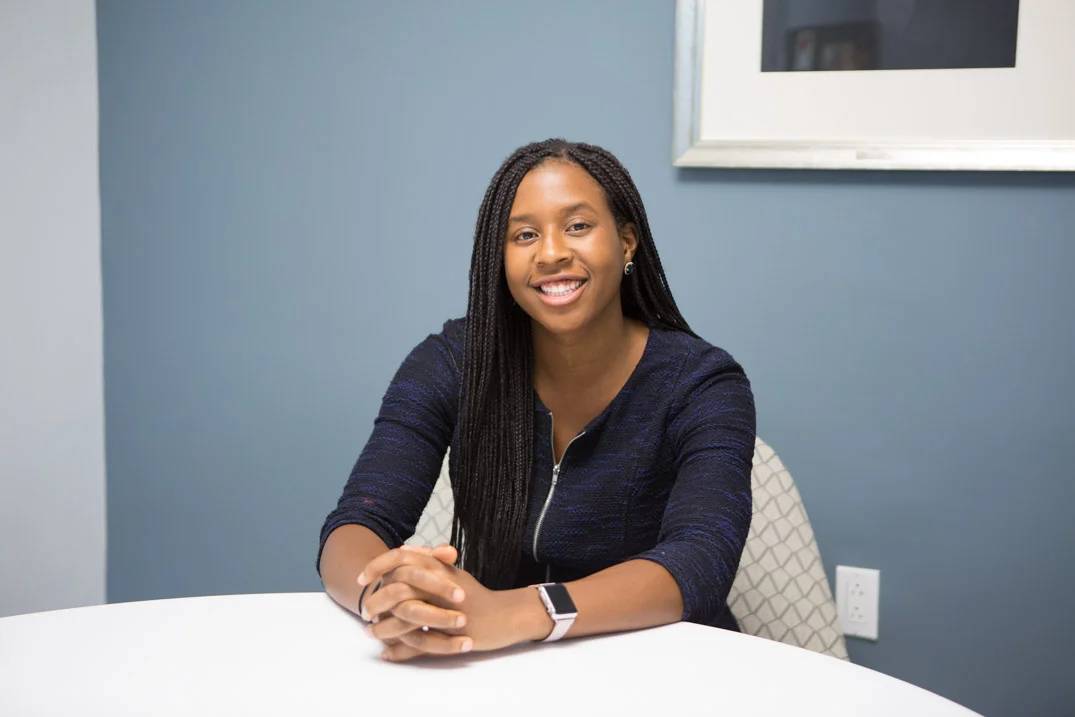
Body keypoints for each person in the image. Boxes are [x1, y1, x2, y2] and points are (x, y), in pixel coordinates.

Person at [317, 139, 756, 662]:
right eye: (525, 235)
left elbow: (700, 559)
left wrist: (521, 612)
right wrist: (387, 599)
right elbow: (357, 522)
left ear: (627, 241)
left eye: (577, 226)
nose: (550, 253)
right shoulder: (452, 363)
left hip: (664, 664)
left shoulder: (703, 384)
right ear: (500, 258)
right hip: (507, 665)